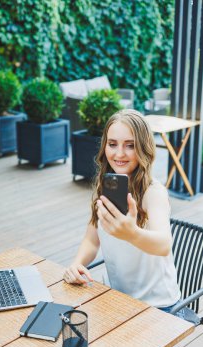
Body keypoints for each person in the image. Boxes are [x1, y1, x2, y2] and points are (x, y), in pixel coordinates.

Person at [64, 109, 184, 318]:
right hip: (116, 297)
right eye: (112, 144)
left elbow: (164, 244)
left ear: (144, 147)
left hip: (158, 307)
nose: (119, 153)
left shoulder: (152, 192)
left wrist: (132, 234)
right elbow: (91, 241)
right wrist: (77, 264)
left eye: (130, 145)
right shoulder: (104, 187)